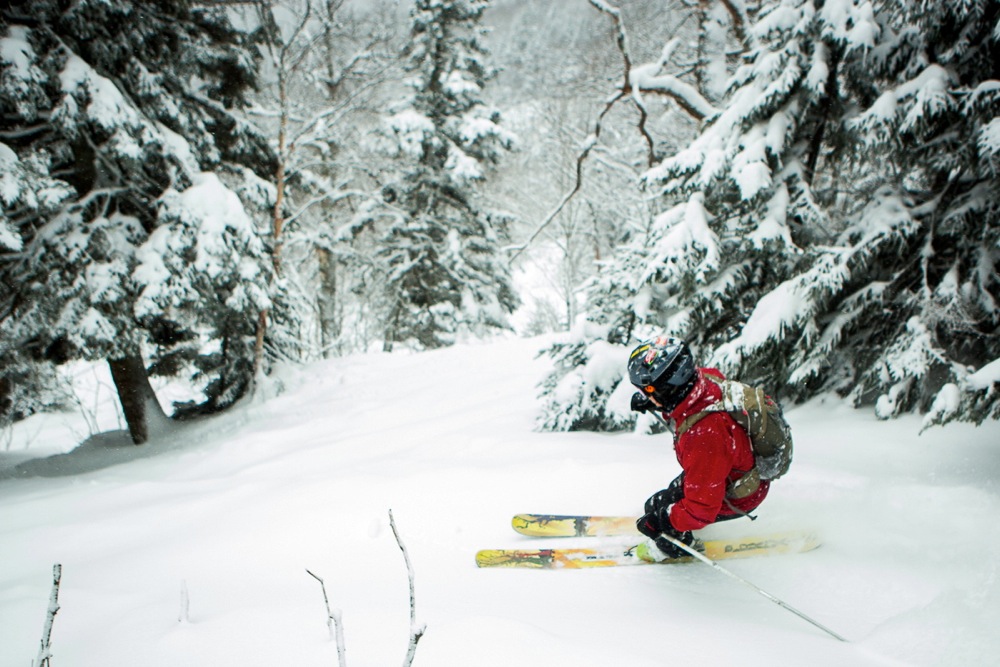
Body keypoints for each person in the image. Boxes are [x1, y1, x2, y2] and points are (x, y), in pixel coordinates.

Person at [627, 336, 771, 561]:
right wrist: (655, 399)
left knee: (664, 516)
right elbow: (683, 399)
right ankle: (667, 519)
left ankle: (677, 546)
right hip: (729, 471)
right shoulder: (701, 381)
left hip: (739, 493)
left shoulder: (704, 435)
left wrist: (664, 522)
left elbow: (701, 508)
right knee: (656, 504)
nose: (646, 394)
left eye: (648, 389)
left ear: (667, 388)